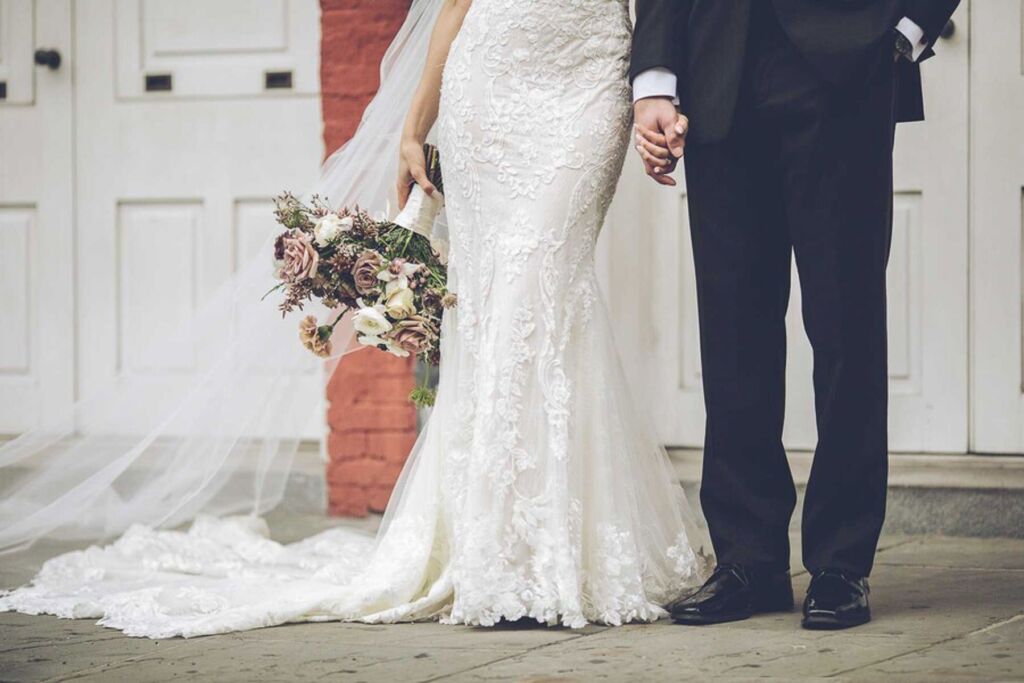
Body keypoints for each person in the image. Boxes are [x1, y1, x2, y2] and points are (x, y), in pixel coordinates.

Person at [0, 0, 707, 637]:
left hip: (589, 76)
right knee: (500, 303)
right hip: (489, 79)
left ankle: (556, 544)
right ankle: (503, 554)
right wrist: (414, 126)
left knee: (544, 283)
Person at [631, 0, 960, 629]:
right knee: (731, 332)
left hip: (846, 67)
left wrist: (906, 30)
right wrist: (655, 77)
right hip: (718, 69)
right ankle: (748, 559)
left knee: (846, 327)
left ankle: (841, 562)